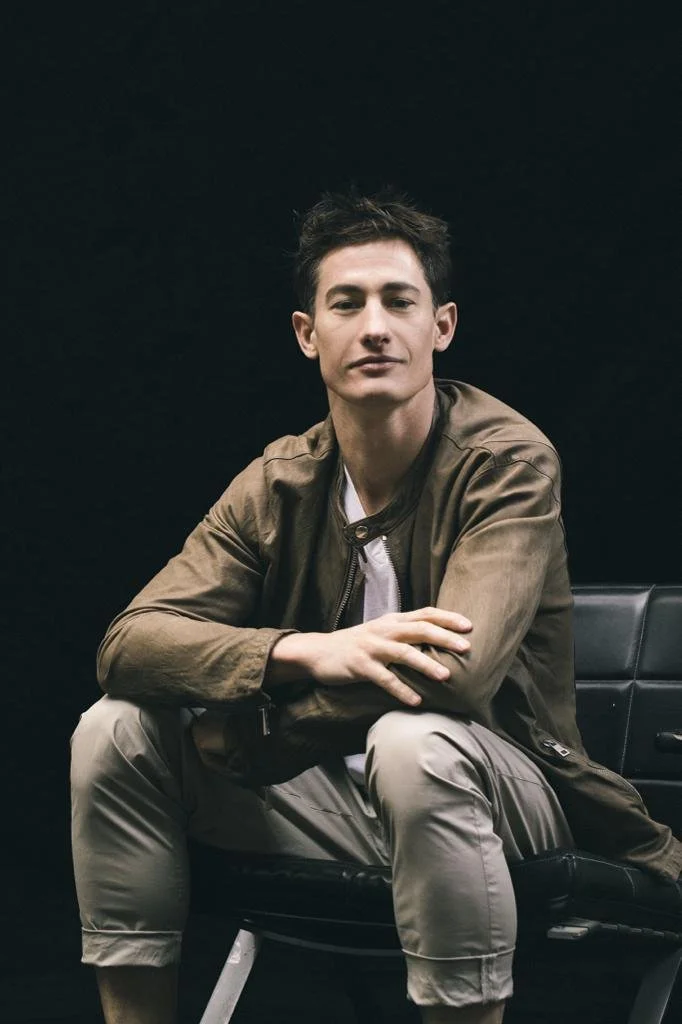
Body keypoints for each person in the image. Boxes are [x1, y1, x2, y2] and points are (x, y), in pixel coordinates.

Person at [70, 189, 682, 1024]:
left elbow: (455, 680)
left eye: (400, 301)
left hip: (511, 796)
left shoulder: (505, 460)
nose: (375, 326)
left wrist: (262, 736)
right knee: (114, 728)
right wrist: (306, 651)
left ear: (443, 326)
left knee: (414, 739)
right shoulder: (278, 482)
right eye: (346, 303)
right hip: (339, 804)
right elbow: (130, 643)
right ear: (306, 334)